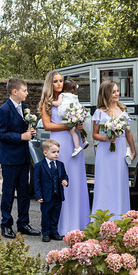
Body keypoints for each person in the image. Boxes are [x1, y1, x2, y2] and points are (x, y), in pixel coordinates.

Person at [39, 70, 91, 235]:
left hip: (73, 143)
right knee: (60, 181)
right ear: (50, 83)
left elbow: (78, 119)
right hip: (58, 144)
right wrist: (70, 125)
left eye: (61, 81)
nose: (59, 84)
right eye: (55, 81)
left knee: (76, 180)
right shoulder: (47, 103)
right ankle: (60, 224)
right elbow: (47, 126)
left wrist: (79, 124)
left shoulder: (69, 99)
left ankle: (80, 221)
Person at [0, 78, 41, 238]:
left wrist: (30, 132)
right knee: (8, 193)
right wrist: (21, 136)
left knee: (24, 194)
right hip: (9, 159)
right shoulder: (4, 110)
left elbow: (24, 131)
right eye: (25, 90)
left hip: (23, 157)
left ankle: (23, 224)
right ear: (15, 92)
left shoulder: (25, 108)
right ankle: (5, 225)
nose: (27, 93)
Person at [91, 81, 137, 220]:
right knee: (105, 183)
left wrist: (133, 151)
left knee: (119, 183)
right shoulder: (100, 112)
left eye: (117, 91)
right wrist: (107, 139)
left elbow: (128, 132)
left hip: (120, 151)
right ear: (106, 94)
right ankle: (102, 219)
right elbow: (94, 134)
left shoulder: (122, 110)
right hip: (105, 152)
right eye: (113, 92)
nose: (117, 94)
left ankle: (119, 217)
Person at [33, 139, 69, 242]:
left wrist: (65, 180)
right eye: (53, 152)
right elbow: (37, 182)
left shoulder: (60, 165)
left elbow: (64, 175)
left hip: (57, 195)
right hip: (45, 196)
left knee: (55, 214)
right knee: (46, 215)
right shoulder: (39, 166)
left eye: (58, 152)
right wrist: (38, 195)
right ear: (45, 153)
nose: (56, 154)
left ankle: (54, 231)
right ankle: (46, 232)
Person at [54, 79, 89, 157]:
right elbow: (78, 104)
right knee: (80, 127)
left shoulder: (62, 95)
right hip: (76, 111)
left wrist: (51, 102)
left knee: (72, 131)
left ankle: (77, 147)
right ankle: (84, 140)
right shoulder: (74, 96)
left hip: (67, 112)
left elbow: (58, 103)